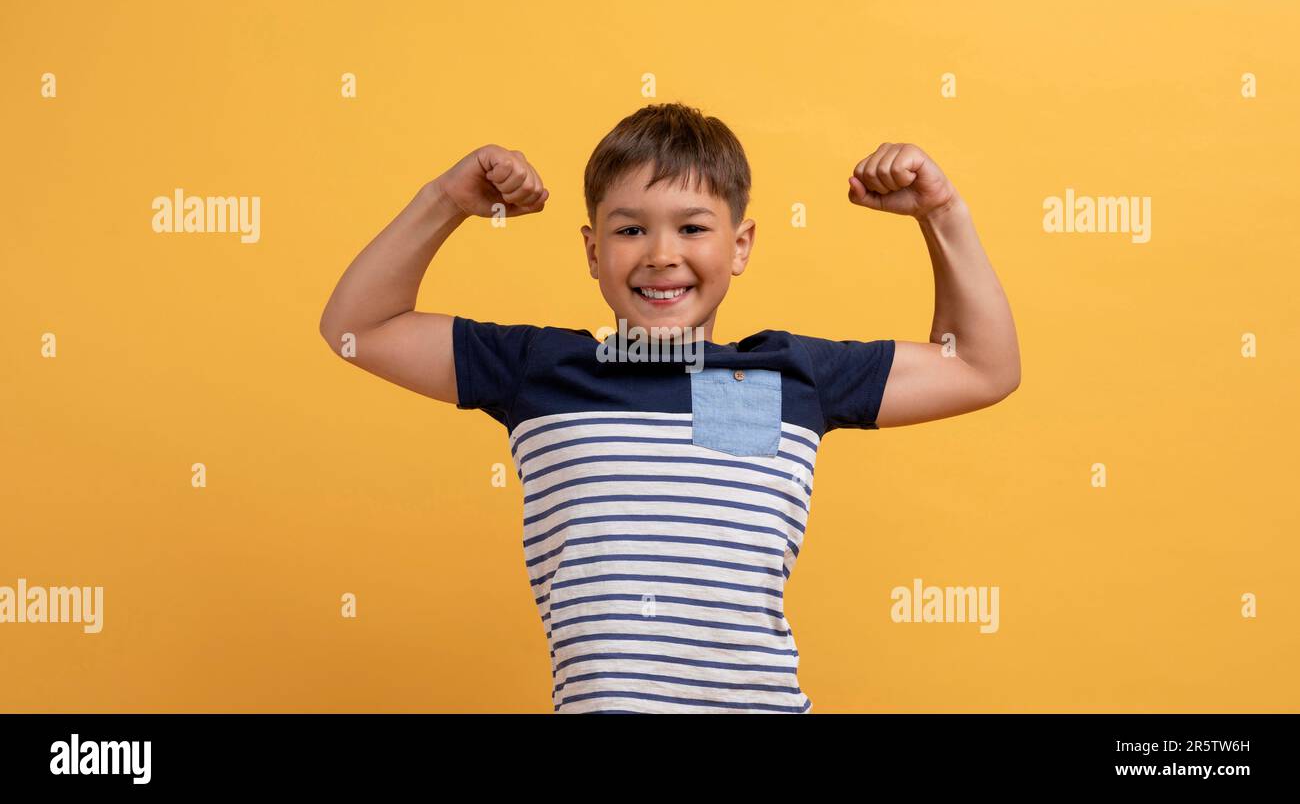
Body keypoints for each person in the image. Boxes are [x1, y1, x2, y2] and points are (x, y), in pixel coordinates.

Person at [318, 102, 1020, 713]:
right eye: (629, 231)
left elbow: (984, 367)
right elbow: (359, 326)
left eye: (692, 228)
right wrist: (447, 199)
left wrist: (942, 213)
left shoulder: (791, 377)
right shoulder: (541, 371)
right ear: (592, 252)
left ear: (740, 246)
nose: (660, 254)